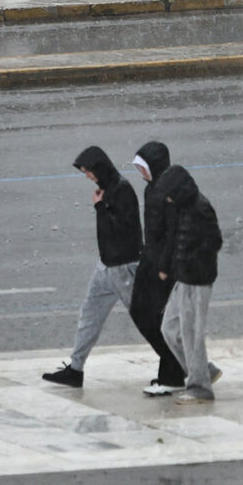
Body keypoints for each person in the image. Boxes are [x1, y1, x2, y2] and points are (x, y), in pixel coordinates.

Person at [43, 147, 143, 388]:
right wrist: (102, 203)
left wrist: (100, 207)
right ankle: (75, 369)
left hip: (124, 268)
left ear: (99, 168)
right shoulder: (109, 190)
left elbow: (123, 229)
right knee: (89, 315)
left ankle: (189, 366)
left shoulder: (122, 190)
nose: (87, 176)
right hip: (107, 266)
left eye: (88, 171)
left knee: (149, 320)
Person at [158, 165, 223, 405]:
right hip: (183, 277)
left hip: (197, 279)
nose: (167, 198)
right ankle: (203, 371)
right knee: (170, 329)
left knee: (191, 334)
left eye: (169, 193)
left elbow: (214, 241)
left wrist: (193, 261)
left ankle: (200, 387)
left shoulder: (200, 208)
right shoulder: (183, 206)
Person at [129, 141, 188, 397]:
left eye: (143, 167)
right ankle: (177, 364)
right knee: (141, 313)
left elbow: (173, 232)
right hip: (149, 261)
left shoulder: (168, 192)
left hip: (164, 266)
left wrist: (166, 266)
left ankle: (173, 373)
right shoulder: (150, 190)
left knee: (159, 319)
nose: (141, 173)